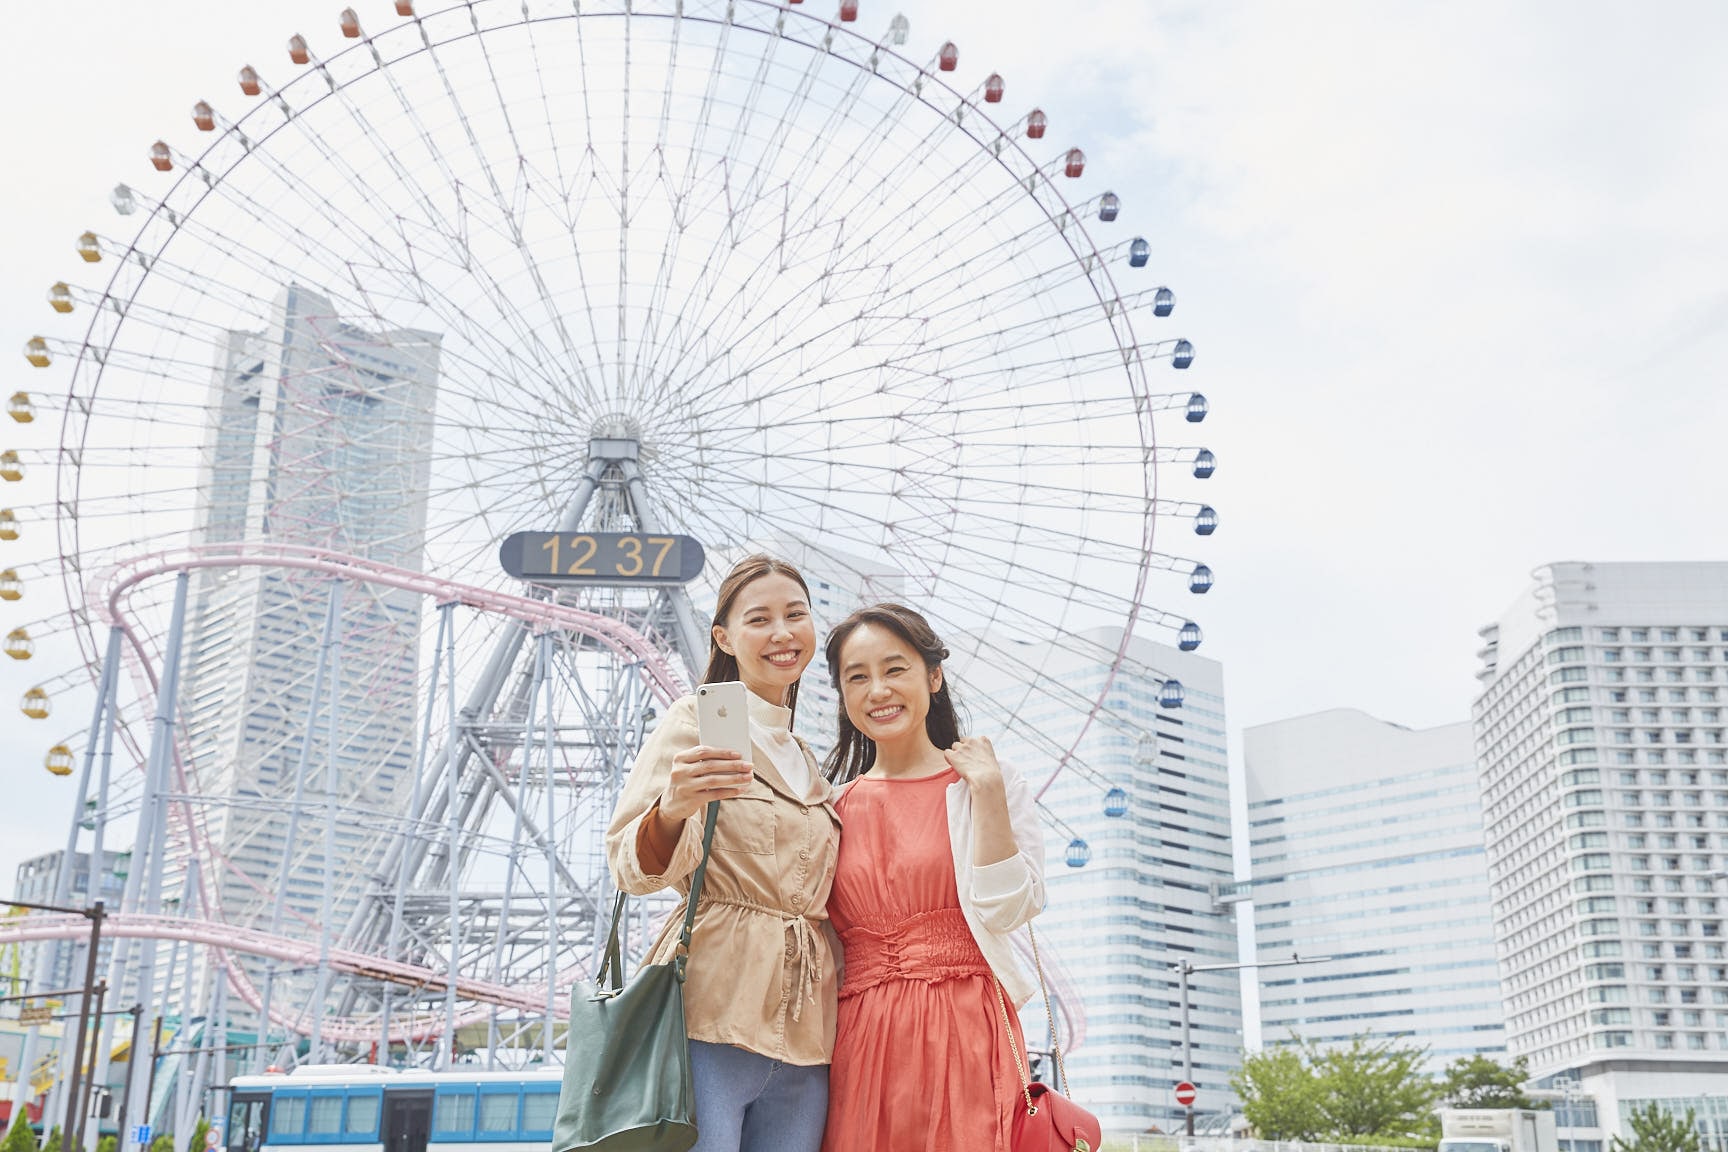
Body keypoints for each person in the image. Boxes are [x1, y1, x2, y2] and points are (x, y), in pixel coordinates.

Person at [605, 554, 841, 1152]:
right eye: (759, 619)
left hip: (806, 1027)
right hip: (712, 1008)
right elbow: (631, 866)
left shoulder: (808, 757)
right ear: (724, 637)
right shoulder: (696, 721)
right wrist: (672, 808)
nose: (782, 633)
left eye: (796, 615)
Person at [818, 603, 1045, 1152]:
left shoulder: (987, 783)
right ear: (843, 697)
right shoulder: (828, 807)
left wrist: (988, 793)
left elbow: (1008, 910)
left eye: (895, 669)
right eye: (858, 677)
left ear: (933, 676)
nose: (878, 690)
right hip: (860, 1033)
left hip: (967, 1023)